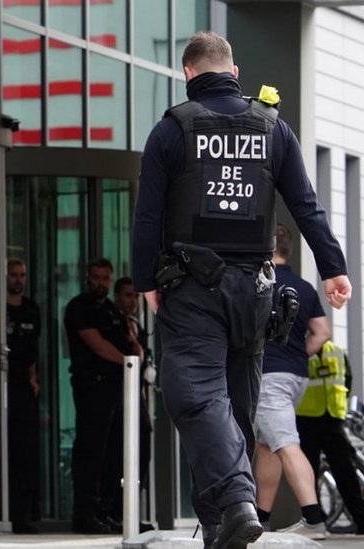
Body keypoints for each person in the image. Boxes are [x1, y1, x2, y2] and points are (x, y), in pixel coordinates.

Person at [132, 31, 351, 549]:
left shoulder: (172, 130)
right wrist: (332, 266)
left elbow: (147, 218)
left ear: (188, 74)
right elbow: (305, 203)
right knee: (235, 404)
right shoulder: (274, 129)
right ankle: (218, 527)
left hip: (192, 290)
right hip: (255, 291)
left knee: (195, 396)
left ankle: (235, 500)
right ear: (233, 71)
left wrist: (146, 282)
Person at [252, 225, 329, 539]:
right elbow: (322, 332)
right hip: (295, 376)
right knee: (267, 445)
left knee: (284, 444)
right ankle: (261, 520)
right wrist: (298, 353)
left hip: (269, 376)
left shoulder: (260, 284)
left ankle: (313, 519)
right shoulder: (304, 287)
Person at [63, 258, 143, 534]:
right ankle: (85, 513)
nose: (101, 283)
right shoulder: (79, 307)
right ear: (87, 278)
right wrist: (128, 363)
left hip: (117, 388)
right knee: (91, 451)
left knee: (113, 452)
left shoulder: (112, 310)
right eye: (96, 277)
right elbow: (97, 345)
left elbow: (133, 346)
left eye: (105, 278)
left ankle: (107, 511)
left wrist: (132, 346)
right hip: (92, 387)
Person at [296, 341, 364, 534]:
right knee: (309, 472)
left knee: (346, 471)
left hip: (332, 418)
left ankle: (360, 518)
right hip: (307, 418)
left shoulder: (335, 351)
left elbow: (347, 380)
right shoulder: (301, 350)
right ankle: (317, 519)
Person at [113, 276, 154, 529]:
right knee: (121, 455)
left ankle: (132, 513)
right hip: (119, 399)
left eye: (135, 296)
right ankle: (119, 513)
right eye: (127, 295)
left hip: (139, 396)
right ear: (117, 297)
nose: (132, 300)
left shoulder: (137, 325)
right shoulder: (117, 324)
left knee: (142, 451)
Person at [5, 257, 42, 533]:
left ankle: (25, 514)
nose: (18, 279)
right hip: (2, 388)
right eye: (14, 274)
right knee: (6, 452)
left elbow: (33, 351)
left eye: (22, 274)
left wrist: (33, 378)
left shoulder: (31, 310)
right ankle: (6, 513)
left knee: (26, 453)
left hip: (24, 387)